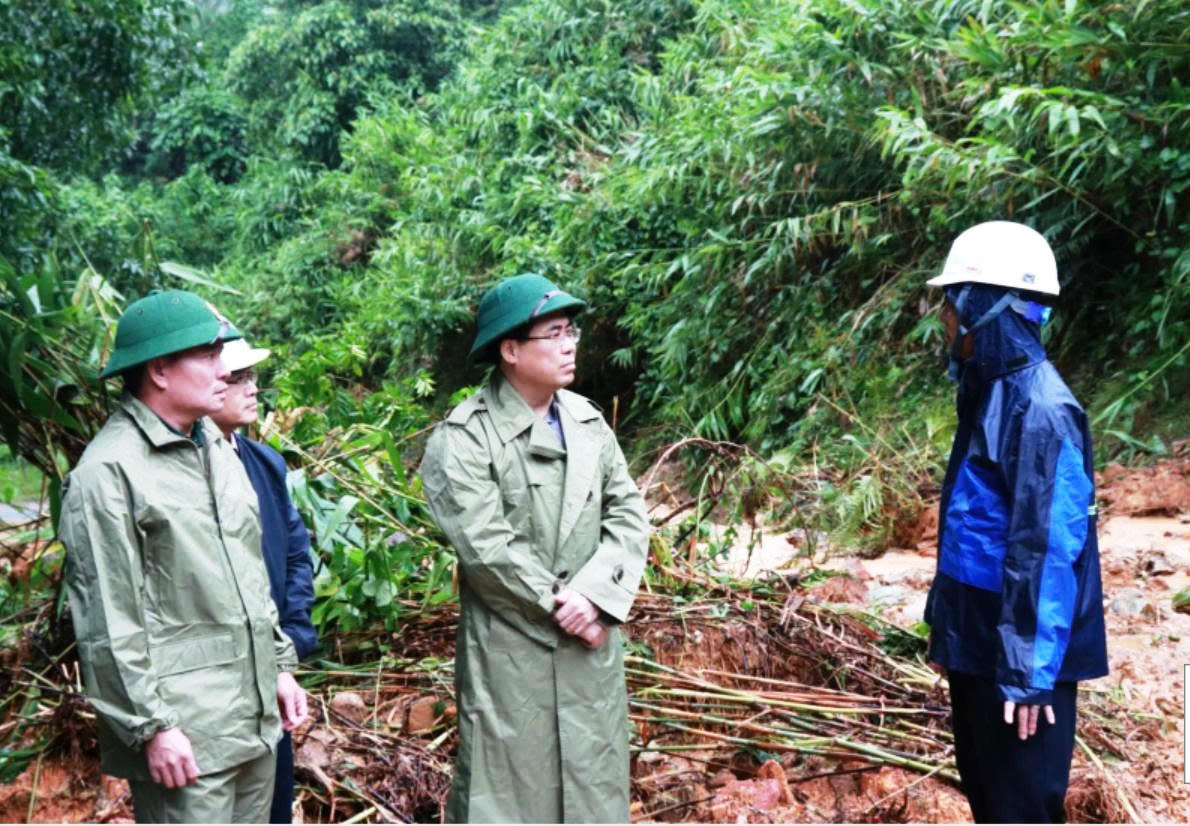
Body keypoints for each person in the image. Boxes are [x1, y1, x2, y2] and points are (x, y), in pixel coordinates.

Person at [59, 290, 309, 823]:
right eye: (209, 355)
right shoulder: (108, 474)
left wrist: (279, 665)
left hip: (254, 720)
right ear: (160, 370)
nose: (226, 370)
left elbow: (249, 576)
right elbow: (108, 620)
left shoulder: (217, 448)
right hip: (187, 737)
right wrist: (152, 727)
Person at [420, 273, 650, 822]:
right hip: (513, 652)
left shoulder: (590, 423)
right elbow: (487, 550)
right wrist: (565, 608)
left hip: (589, 647)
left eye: (572, 330)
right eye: (555, 333)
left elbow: (628, 515)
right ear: (511, 350)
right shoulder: (463, 439)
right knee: (508, 798)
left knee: (594, 793)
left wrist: (593, 598)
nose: (571, 343)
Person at [923, 222, 1109, 823]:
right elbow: (970, 528)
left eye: (952, 306)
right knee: (990, 801)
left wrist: (1028, 673)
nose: (946, 323)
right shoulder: (988, 395)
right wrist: (948, 631)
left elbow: (1048, 547)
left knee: (1021, 809)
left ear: (986, 308)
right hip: (980, 641)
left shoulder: (1040, 408)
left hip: (1024, 655)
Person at [207, 328, 318, 824]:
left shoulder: (265, 463)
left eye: (254, 376)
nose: (252, 388)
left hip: (273, 667)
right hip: (217, 679)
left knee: (273, 803)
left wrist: (290, 642)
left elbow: (296, 553)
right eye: (238, 377)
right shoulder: (188, 469)